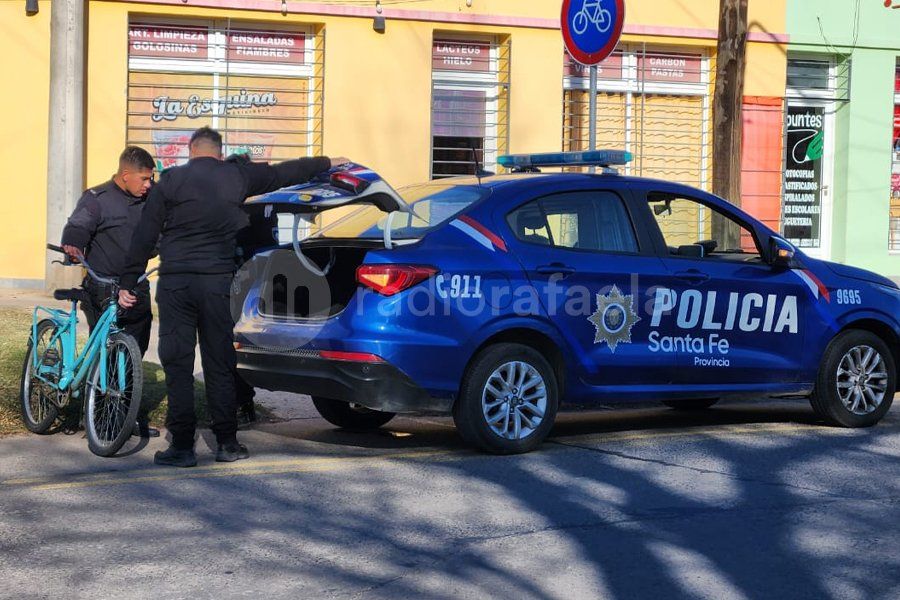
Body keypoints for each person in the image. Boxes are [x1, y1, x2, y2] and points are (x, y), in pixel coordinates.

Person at [118, 126, 348, 467]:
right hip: (217, 284)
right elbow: (284, 172)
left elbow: (144, 234)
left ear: (191, 150)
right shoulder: (236, 176)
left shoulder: (170, 181)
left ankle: (181, 447)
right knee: (219, 363)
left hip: (177, 284)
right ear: (219, 152)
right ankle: (226, 443)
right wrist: (327, 162)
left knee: (178, 364)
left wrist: (127, 280)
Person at [61, 145, 159, 438]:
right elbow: (77, 226)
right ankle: (94, 415)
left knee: (133, 352)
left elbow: (166, 230)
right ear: (126, 175)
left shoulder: (152, 200)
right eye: (144, 178)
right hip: (102, 286)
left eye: (151, 178)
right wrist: (73, 244)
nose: (149, 184)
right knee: (104, 350)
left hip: (137, 285)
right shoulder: (97, 199)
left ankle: (124, 415)